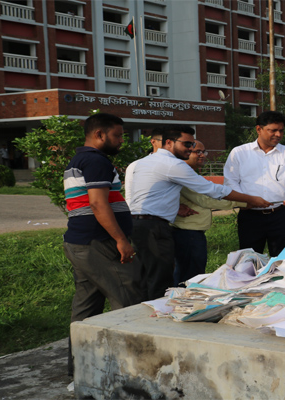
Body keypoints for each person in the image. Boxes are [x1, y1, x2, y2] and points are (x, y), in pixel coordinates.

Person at [129, 125, 269, 299]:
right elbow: (211, 190)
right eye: (187, 145)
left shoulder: (145, 162)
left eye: (192, 145)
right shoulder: (174, 165)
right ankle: (156, 316)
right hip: (156, 227)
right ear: (169, 143)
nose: (191, 149)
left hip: (141, 223)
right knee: (161, 277)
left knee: (145, 276)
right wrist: (250, 199)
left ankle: (141, 315)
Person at [62, 113, 143, 374]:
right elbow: (98, 203)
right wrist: (121, 239)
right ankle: (128, 370)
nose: (121, 141)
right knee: (127, 299)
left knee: (86, 308)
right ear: (100, 135)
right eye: (117, 136)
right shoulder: (96, 161)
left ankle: (81, 371)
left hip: (81, 243)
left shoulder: (79, 159)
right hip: (100, 243)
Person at [223, 111, 285, 256]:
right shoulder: (239, 153)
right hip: (250, 216)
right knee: (249, 259)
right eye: (273, 130)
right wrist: (247, 200)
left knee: (282, 259)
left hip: (280, 215)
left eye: (281, 130)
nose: (278, 134)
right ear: (259, 129)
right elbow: (231, 181)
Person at [172, 140, 246, 285]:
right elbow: (206, 200)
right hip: (187, 233)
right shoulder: (183, 175)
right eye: (197, 152)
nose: (202, 155)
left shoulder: (189, 173)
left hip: (192, 233)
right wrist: (245, 201)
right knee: (189, 278)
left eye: (204, 151)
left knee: (191, 274)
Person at [124, 128, 163, 204]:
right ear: (153, 142)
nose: (169, 145)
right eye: (164, 142)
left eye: (171, 142)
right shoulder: (135, 165)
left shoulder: (178, 166)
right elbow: (129, 196)